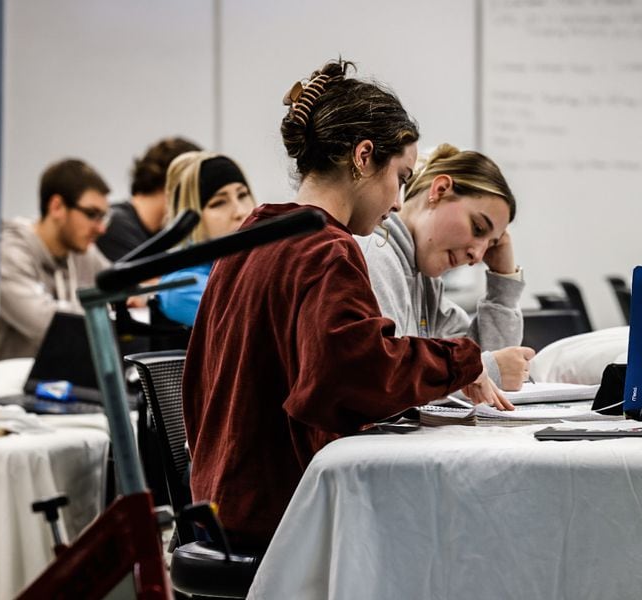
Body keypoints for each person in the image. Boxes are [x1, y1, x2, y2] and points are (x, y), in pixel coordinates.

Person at [182, 59, 511, 551]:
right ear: (362, 157)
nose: (399, 203)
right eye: (400, 178)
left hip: (221, 503)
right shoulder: (324, 248)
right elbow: (351, 375)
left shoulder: (255, 233)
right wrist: (460, 361)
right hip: (279, 514)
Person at [359, 143, 533, 390]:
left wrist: (503, 280)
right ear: (439, 190)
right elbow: (384, 380)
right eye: (478, 228)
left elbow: (489, 367)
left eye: (490, 245)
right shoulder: (374, 252)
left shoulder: (425, 281)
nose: (477, 255)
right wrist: (486, 369)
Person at [0, 159, 111, 360]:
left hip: (61, 379)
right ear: (57, 207)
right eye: (92, 214)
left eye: (103, 217)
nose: (101, 229)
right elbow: (50, 326)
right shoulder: (9, 254)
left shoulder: (82, 252)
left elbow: (121, 289)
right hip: (6, 384)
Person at [155, 151, 255, 326]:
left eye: (242, 195)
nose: (240, 212)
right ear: (190, 219)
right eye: (219, 203)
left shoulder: (256, 262)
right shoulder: (181, 287)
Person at [96, 137, 201, 261]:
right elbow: (151, 279)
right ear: (173, 182)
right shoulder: (113, 224)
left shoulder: (157, 233)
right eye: (195, 187)